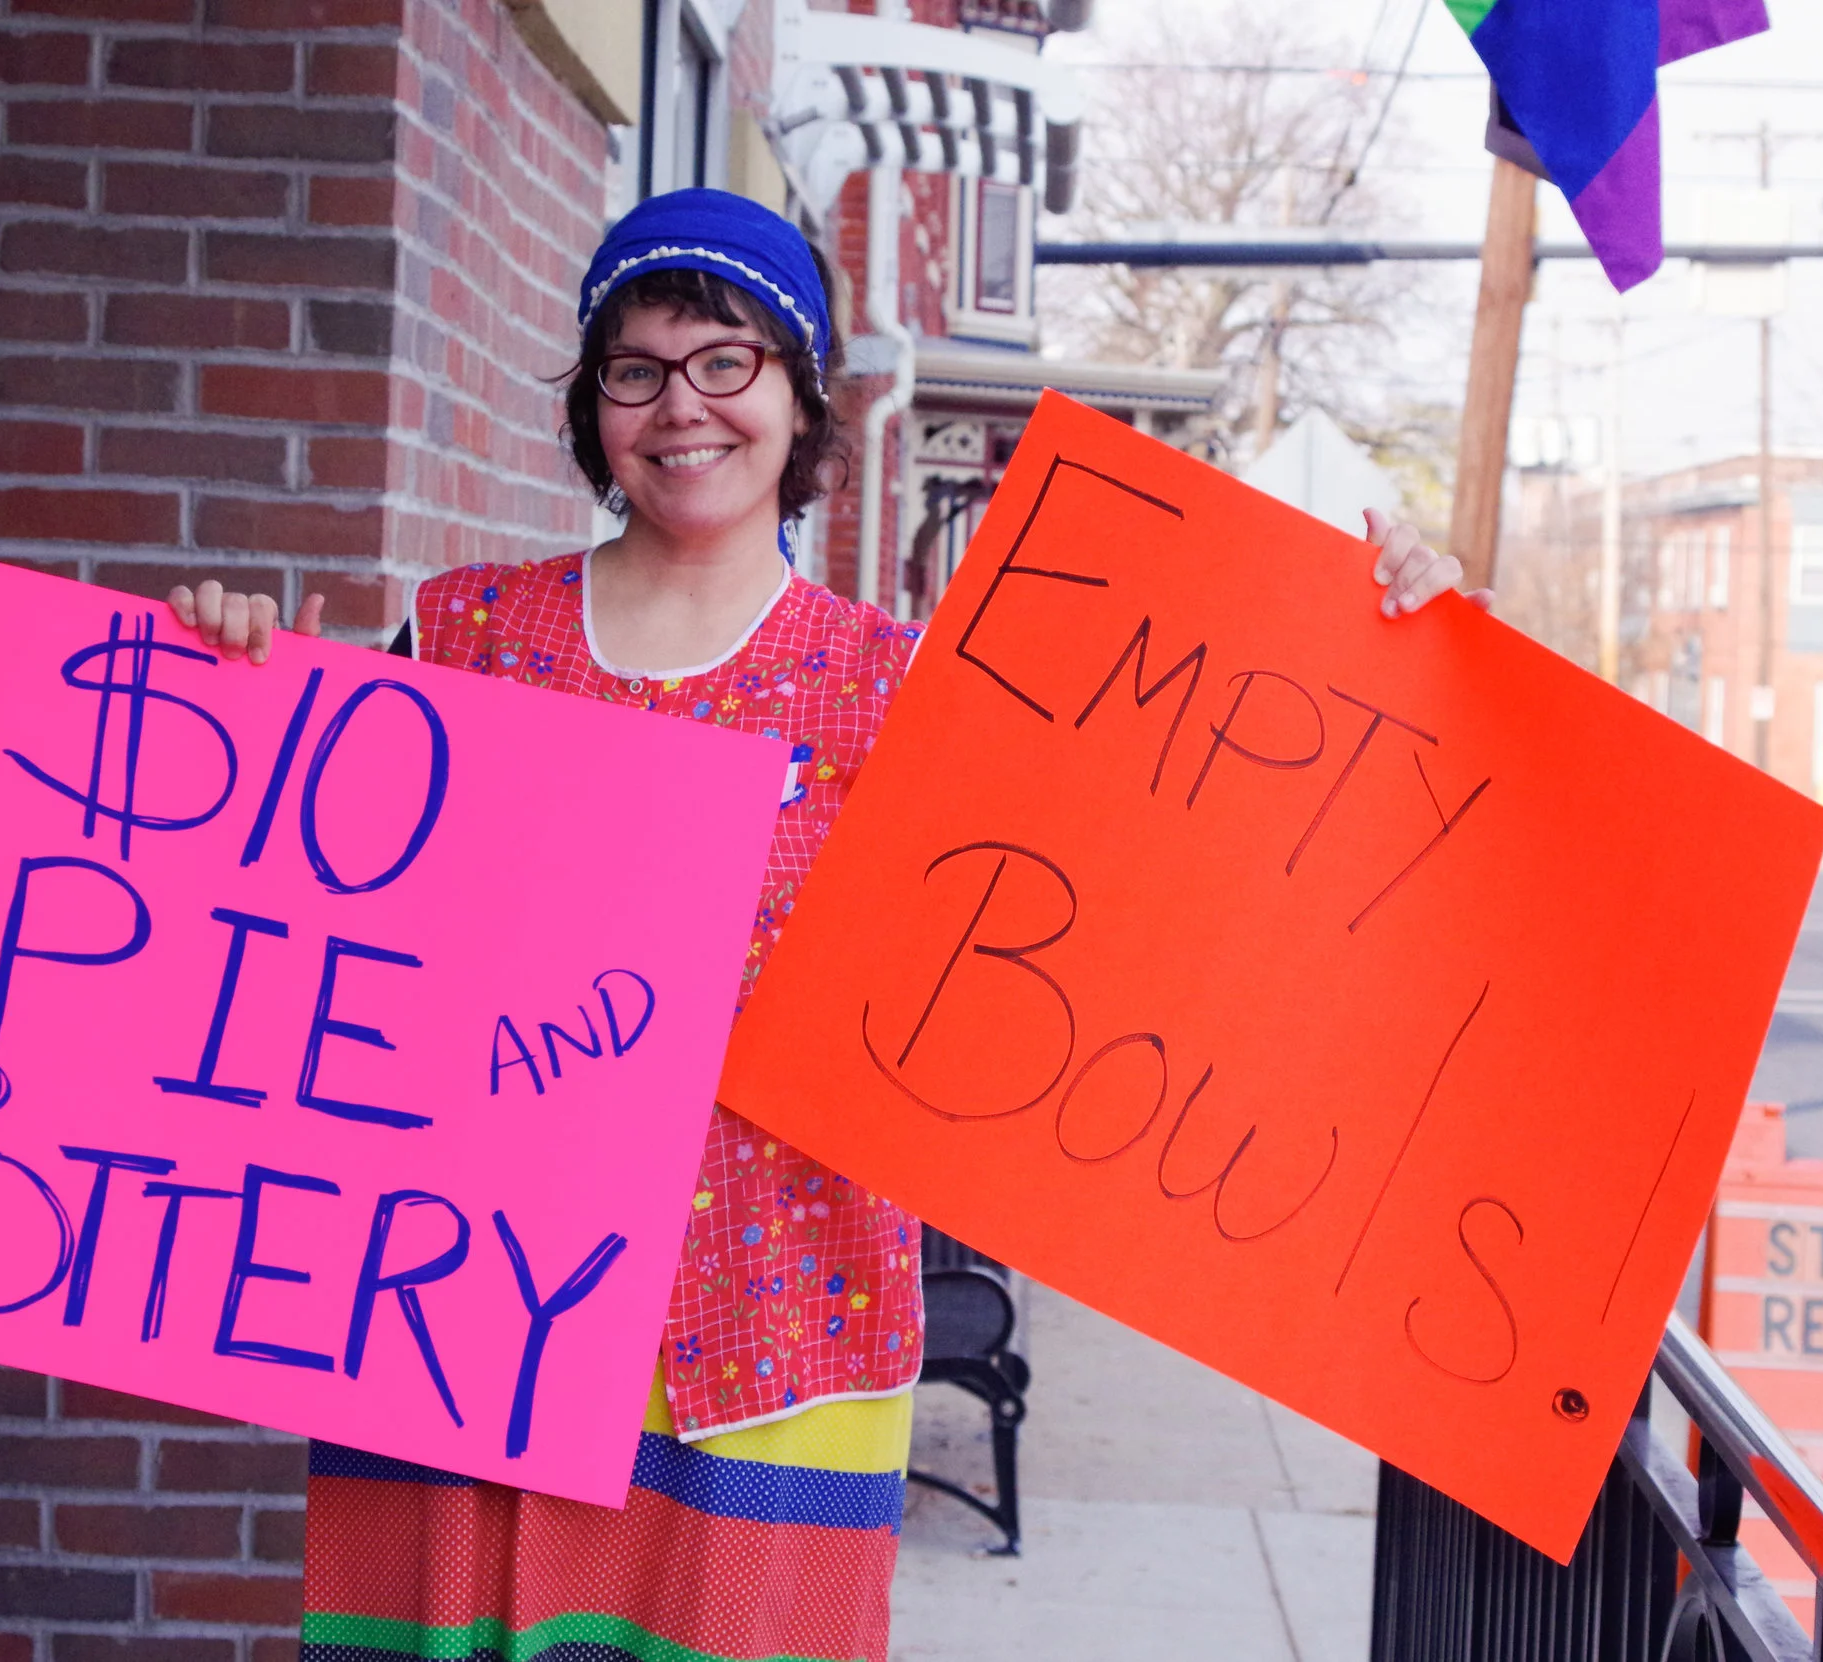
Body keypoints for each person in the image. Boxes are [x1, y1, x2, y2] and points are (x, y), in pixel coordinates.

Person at [167, 186, 1481, 1662]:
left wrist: (1381, 657)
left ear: (801, 399)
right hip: (464, 1324)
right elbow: (298, 917)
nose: (684, 407)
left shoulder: (910, 692)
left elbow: (1198, 882)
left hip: (780, 1341)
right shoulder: (461, 639)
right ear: (594, 403)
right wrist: (223, 686)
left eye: (728, 360)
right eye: (638, 367)